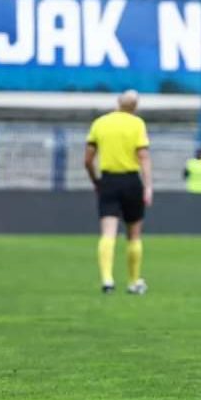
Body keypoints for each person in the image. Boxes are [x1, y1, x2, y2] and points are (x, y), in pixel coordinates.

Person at [84, 90, 153, 295]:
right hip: (132, 181)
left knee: (108, 233)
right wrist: (148, 186)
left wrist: (96, 180)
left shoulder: (100, 123)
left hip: (108, 180)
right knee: (134, 235)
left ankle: (107, 280)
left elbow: (87, 160)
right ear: (135, 107)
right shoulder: (137, 124)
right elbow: (143, 157)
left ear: (118, 102)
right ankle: (133, 282)